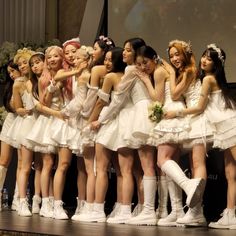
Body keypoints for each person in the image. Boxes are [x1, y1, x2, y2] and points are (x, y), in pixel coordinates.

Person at [165, 43, 236, 230]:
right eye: (204, 56)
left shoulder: (207, 80)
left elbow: (200, 107)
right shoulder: (211, 78)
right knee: (231, 174)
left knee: (232, 172)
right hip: (225, 126)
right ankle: (230, 214)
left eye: (210, 58)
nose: (204, 60)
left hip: (229, 126)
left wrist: (177, 114)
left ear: (217, 64)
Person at [159, 39, 212, 227]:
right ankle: (196, 212)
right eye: (171, 55)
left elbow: (174, 95)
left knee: (198, 163)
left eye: (177, 54)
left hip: (200, 117)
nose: (174, 58)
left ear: (185, 54)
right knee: (194, 163)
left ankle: (196, 212)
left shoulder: (189, 71)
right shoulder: (186, 72)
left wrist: (171, 73)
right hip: (193, 118)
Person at [73, 47, 126, 222]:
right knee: (121, 170)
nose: (107, 63)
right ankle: (121, 208)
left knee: (99, 168)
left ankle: (97, 209)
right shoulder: (128, 75)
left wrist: (89, 124)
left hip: (107, 123)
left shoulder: (109, 76)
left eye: (111, 59)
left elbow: (100, 102)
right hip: (122, 123)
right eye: (106, 59)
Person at [6, 48, 36, 217]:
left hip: (42, 124)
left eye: (26, 62)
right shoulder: (19, 83)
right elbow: (17, 108)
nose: (23, 66)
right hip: (27, 123)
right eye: (20, 64)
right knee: (23, 165)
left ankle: (39, 200)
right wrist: (28, 110)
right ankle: (21, 200)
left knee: (40, 165)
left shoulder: (39, 79)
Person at [0, 60, 22, 211]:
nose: (12, 75)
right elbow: (13, 107)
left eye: (13, 71)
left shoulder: (28, 83)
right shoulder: (12, 86)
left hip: (24, 122)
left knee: (22, 162)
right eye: (9, 73)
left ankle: (18, 199)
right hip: (11, 121)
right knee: (3, 160)